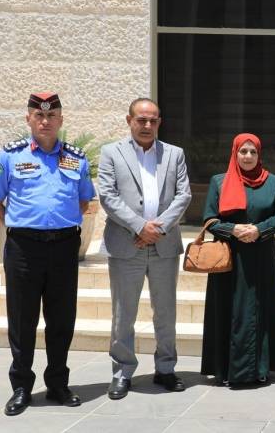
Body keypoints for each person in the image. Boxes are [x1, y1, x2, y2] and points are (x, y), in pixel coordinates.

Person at [0, 92, 95, 415]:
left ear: (60, 120)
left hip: (63, 247)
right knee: (22, 319)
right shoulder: (9, 156)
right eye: (39, 115)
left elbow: (84, 201)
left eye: (51, 116)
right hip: (24, 248)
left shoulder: (76, 158)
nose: (45, 121)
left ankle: (58, 383)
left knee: (62, 318)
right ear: (28, 119)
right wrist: (20, 226)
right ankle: (21, 387)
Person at [98, 97, 192, 399]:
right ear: (129, 121)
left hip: (164, 245)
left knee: (165, 312)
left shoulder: (174, 154)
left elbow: (183, 195)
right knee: (123, 313)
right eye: (141, 120)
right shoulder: (111, 152)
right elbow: (108, 196)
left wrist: (157, 229)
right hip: (126, 244)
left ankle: (165, 368)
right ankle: (122, 372)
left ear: (159, 122)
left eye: (153, 120)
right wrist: (140, 227)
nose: (147, 125)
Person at [201, 134, 275, 386]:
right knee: (230, 310)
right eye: (243, 151)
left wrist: (259, 229)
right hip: (229, 259)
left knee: (259, 309)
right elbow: (209, 219)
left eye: (253, 152)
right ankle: (228, 370)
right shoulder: (219, 181)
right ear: (235, 153)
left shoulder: (272, 182)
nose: (248, 156)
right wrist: (234, 230)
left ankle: (259, 368)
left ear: (259, 155)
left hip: (261, 256)